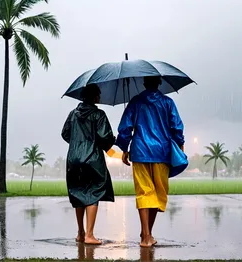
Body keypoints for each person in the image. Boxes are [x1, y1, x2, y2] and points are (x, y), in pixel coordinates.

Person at [115, 76, 185, 248]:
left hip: (140, 152)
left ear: (144, 84)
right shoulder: (168, 103)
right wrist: (180, 146)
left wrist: (124, 148)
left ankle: (146, 234)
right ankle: (147, 235)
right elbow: (177, 127)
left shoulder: (136, 102)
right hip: (162, 153)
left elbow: (125, 127)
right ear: (159, 83)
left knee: (145, 193)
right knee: (158, 193)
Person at [61, 84, 116, 245]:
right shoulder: (99, 114)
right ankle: (90, 235)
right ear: (93, 97)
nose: (99, 98)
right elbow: (104, 137)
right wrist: (112, 140)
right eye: (98, 95)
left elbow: (65, 133)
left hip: (74, 159)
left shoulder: (73, 114)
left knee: (78, 193)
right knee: (93, 192)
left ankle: (80, 233)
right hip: (93, 159)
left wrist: (77, 143)